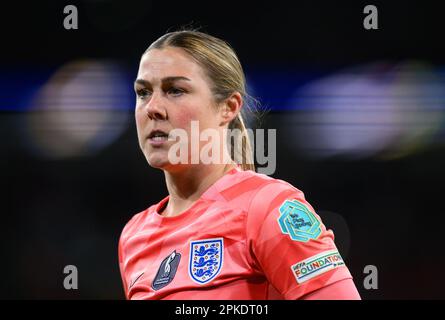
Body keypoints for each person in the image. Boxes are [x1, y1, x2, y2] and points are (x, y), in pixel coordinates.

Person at [118, 30, 361, 300]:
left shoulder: (270, 208)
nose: (152, 107)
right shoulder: (134, 235)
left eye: (175, 90)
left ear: (228, 107)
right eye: (143, 93)